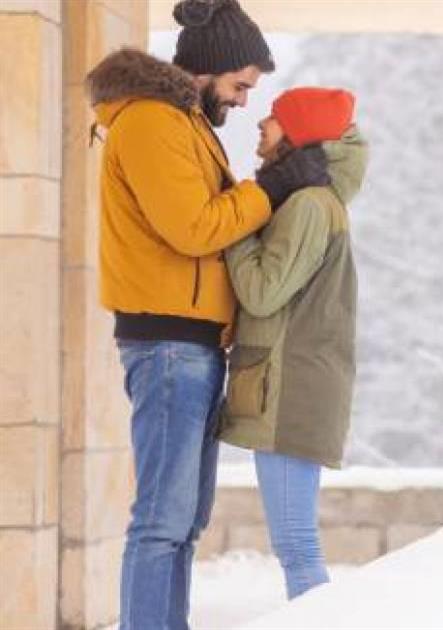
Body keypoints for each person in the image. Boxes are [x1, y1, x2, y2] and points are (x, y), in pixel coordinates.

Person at [84, 0, 332, 626]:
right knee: (162, 522)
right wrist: (269, 189)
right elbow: (195, 229)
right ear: (211, 68)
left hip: (192, 342)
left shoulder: (187, 125)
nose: (247, 101)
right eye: (242, 85)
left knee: (184, 523)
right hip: (167, 344)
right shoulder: (152, 124)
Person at [219, 87, 366, 599]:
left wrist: (233, 229)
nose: (262, 123)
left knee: (297, 546)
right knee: (296, 543)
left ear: (299, 134)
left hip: (290, 390)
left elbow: (262, 293)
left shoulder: (307, 206)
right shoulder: (310, 202)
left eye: (276, 118)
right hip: (292, 384)